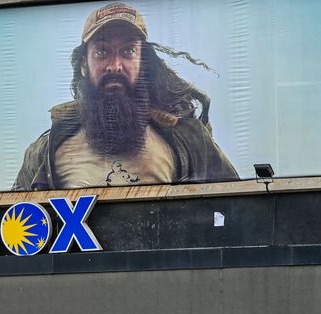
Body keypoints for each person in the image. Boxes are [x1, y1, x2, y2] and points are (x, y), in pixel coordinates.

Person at [12, 2, 238, 192]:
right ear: (83, 64)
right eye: (102, 52)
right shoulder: (45, 152)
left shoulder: (191, 141)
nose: (115, 66)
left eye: (128, 51)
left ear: (142, 63)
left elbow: (240, 214)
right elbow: (15, 232)